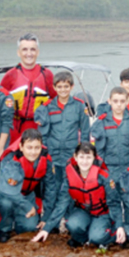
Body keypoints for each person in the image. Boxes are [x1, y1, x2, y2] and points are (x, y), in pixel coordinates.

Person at [33, 71, 91, 226]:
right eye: (59, 87)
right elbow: (43, 134)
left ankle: (68, 219)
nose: (63, 90)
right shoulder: (47, 107)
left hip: (71, 155)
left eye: (66, 86)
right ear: (54, 87)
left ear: (71, 86)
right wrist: (45, 154)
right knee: (53, 188)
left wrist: (82, 155)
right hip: (53, 155)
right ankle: (50, 220)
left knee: (70, 187)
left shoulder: (79, 106)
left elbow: (85, 132)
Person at [45, 142, 124, 249]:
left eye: (88, 157)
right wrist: (46, 229)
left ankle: (112, 235)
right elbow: (61, 204)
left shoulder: (103, 177)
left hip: (102, 213)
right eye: (81, 157)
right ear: (75, 157)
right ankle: (82, 239)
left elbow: (115, 203)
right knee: (72, 224)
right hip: (83, 211)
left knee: (97, 237)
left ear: (94, 158)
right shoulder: (69, 177)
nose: (84, 161)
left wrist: (119, 226)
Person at [0, 129, 57, 243]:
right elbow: (9, 191)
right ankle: (4, 228)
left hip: (27, 194)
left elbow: (51, 189)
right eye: (29, 147)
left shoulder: (46, 160)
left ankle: (20, 222)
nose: (33, 152)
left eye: (37, 148)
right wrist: (28, 206)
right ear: (21, 146)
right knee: (6, 204)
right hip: (8, 194)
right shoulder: (10, 158)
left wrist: (46, 217)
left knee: (28, 228)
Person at [0, 33, 56, 152]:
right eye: (24, 49)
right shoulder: (10, 75)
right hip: (15, 129)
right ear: (18, 52)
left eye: (32, 49)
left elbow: (58, 101)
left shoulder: (47, 75)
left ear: (38, 52)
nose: (29, 53)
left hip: (38, 128)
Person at [89, 86, 129, 178]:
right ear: (110, 101)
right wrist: (101, 169)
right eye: (115, 101)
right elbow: (99, 150)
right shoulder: (102, 122)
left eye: (122, 101)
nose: (119, 104)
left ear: (127, 102)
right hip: (108, 169)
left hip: (128, 168)